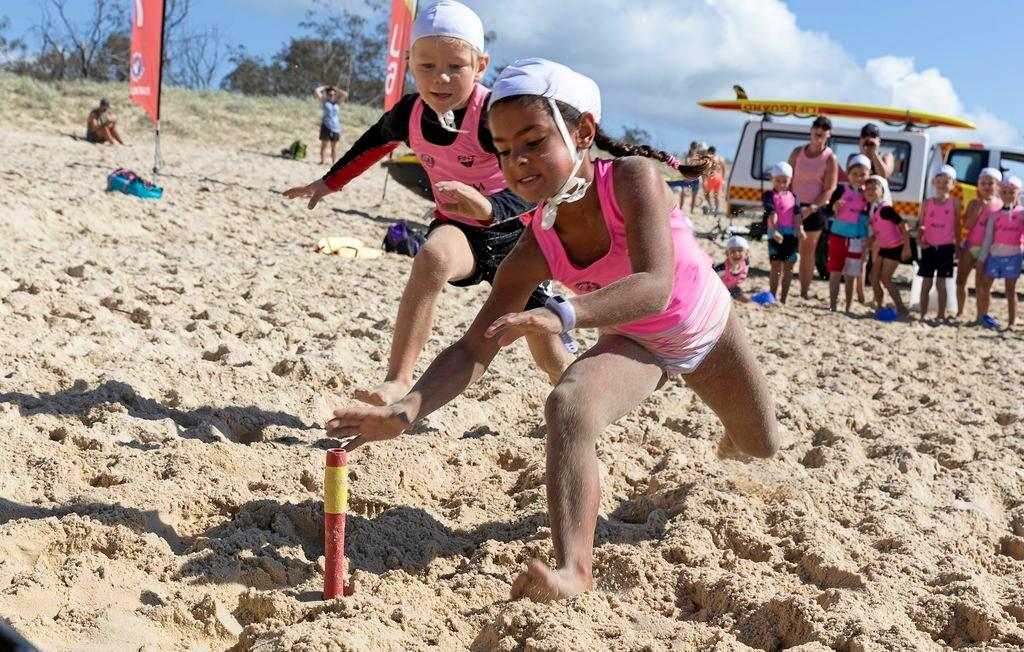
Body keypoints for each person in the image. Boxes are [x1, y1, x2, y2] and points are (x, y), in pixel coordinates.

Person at [327, 59, 779, 603]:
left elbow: (655, 285)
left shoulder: (632, 177)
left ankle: (731, 429)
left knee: (761, 445)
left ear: (583, 132)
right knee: (569, 403)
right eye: (502, 149)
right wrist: (407, 409)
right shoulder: (537, 241)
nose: (517, 163)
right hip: (634, 345)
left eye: (533, 142)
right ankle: (573, 571)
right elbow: (475, 346)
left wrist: (562, 314)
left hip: (707, 329)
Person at [283, 0, 572, 406]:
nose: (441, 78)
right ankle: (398, 380)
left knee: (548, 351)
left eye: (456, 66)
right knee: (431, 257)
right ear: (409, 64)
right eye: (427, 67)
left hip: (517, 238)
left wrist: (490, 208)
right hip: (460, 231)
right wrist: (330, 182)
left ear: (481, 64)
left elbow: (533, 181)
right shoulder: (410, 112)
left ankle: (576, 399)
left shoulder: (495, 115)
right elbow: (372, 143)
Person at [788, 116, 838, 299]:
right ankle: (781, 289)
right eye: (817, 127)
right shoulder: (797, 153)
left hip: (815, 209)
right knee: (786, 249)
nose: (820, 131)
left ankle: (803, 292)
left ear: (828, 134)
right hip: (793, 206)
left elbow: (829, 189)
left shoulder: (830, 158)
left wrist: (809, 209)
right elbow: (788, 180)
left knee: (807, 252)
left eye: (824, 128)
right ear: (811, 130)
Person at [823, 154, 871, 313]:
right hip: (837, 236)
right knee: (835, 272)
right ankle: (833, 305)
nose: (858, 177)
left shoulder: (869, 194)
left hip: (857, 240)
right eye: (855, 174)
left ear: (868, 175)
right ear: (848, 175)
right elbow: (829, 210)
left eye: (862, 174)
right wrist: (835, 207)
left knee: (851, 276)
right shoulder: (840, 190)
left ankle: (849, 307)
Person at [975, 176, 1022, 329]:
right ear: (1000, 193)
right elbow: (988, 238)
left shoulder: (1021, 214)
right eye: (1005, 192)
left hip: (1013, 256)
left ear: (1018, 193)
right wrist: (981, 259)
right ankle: (983, 317)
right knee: (984, 286)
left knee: (1010, 290)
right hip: (995, 256)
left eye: (1011, 192)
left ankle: (1012, 322)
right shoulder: (995, 216)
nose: (1008, 195)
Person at [955, 167, 1003, 319]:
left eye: (990, 183)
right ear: (978, 185)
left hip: (988, 250)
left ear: (997, 186)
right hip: (971, 246)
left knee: (981, 285)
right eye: (983, 183)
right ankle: (960, 311)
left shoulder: (1000, 205)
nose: (987, 186)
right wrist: (977, 211)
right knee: (961, 280)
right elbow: (967, 226)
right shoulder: (974, 203)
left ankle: (980, 316)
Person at [916, 166, 960, 321]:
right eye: (939, 181)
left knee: (941, 284)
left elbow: (957, 226)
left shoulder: (954, 203)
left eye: (946, 181)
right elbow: (921, 225)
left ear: (952, 184)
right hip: (929, 247)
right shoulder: (927, 203)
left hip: (946, 248)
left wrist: (958, 247)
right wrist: (919, 239)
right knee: (926, 283)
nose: (942, 184)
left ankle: (941, 314)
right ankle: (923, 314)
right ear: (934, 182)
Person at [866, 175, 911, 315]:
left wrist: (907, 247)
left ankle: (901, 307)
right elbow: (882, 228)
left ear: (882, 191)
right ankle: (880, 306)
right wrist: (872, 239)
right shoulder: (875, 209)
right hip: (884, 247)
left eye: (874, 188)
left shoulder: (886, 209)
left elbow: (904, 225)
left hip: (895, 247)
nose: (870, 191)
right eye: (867, 189)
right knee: (873, 277)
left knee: (885, 278)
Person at [763, 162, 798, 303]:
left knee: (788, 267)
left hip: (790, 235)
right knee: (776, 265)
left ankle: (783, 298)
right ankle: (772, 295)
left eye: (785, 181)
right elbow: (771, 213)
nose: (782, 184)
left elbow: (797, 214)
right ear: (773, 179)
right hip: (775, 234)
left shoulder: (794, 196)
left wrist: (799, 228)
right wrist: (775, 230)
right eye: (778, 181)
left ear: (790, 180)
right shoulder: (769, 195)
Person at [315, 85, 348, 165]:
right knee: (324, 145)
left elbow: (345, 94)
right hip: (326, 126)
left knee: (334, 147)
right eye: (330, 94)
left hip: (336, 127)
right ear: (327, 94)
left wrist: (337, 89)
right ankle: (322, 161)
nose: (331, 96)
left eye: (333, 94)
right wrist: (325, 87)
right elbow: (316, 91)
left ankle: (334, 162)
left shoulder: (337, 102)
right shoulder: (324, 101)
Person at [716, 235, 750, 301]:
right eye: (732, 251)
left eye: (740, 250)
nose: (736, 253)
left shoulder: (746, 264)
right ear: (727, 254)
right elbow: (710, 282)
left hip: (731, 287)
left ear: (746, 253)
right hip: (718, 290)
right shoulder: (722, 269)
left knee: (745, 299)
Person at [677, 141, 703, 214]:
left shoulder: (699, 157)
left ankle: (691, 211)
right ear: (691, 148)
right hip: (687, 178)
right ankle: (680, 210)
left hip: (695, 179)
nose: (693, 149)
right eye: (693, 147)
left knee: (694, 196)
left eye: (695, 148)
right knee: (683, 194)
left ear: (697, 148)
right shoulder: (687, 157)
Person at [702, 146, 725, 215]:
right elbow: (724, 168)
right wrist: (723, 178)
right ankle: (717, 209)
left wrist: (704, 180)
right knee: (716, 194)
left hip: (711, 176)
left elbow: (704, 170)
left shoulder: (707, 158)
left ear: (708, 151)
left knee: (706, 194)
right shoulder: (720, 158)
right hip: (719, 177)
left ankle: (711, 207)